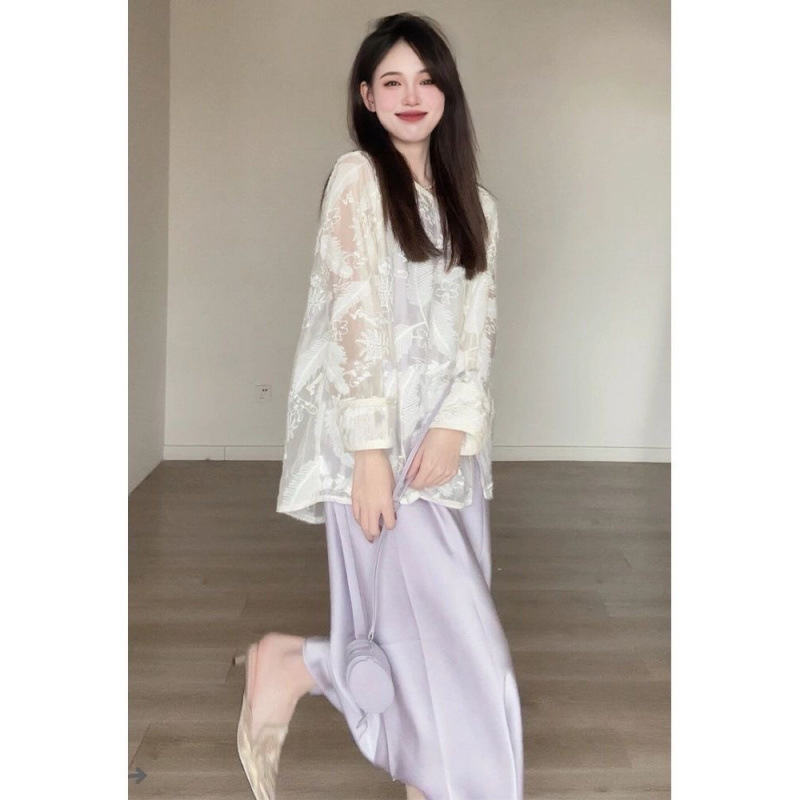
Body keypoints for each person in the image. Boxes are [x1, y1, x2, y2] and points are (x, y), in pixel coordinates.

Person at [234, 13, 523, 800]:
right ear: (366, 97)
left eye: (426, 79)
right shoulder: (358, 181)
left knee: (442, 643)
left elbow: (479, 333)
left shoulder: (479, 206)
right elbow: (352, 317)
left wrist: (457, 426)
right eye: (391, 81)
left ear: (447, 94)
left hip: (450, 457)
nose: (411, 94)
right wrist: (369, 454)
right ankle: (300, 667)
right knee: (455, 651)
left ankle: (296, 666)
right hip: (378, 456)